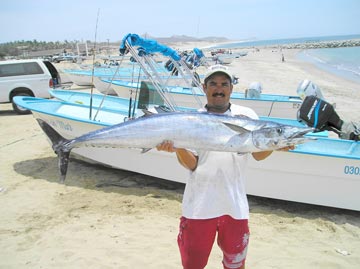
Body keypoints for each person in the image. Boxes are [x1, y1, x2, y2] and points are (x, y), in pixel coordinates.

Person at [156, 65, 293, 269]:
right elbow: (192, 164)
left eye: (224, 84)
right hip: (199, 207)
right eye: (213, 84)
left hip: (234, 207)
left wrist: (274, 145)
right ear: (204, 88)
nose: (218, 89)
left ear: (231, 88)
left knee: (235, 265)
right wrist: (177, 148)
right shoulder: (192, 120)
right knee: (193, 265)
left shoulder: (246, 116)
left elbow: (258, 155)